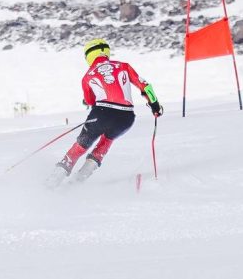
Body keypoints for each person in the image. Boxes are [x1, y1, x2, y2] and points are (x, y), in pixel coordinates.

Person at [47, 38, 163, 187]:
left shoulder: (88, 75)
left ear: (89, 55)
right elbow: (146, 86)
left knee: (81, 145)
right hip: (126, 118)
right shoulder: (123, 66)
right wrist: (155, 106)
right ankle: (77, 181)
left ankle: (53, 181)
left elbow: (90, 101)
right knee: (106, 141)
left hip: (101, 114)